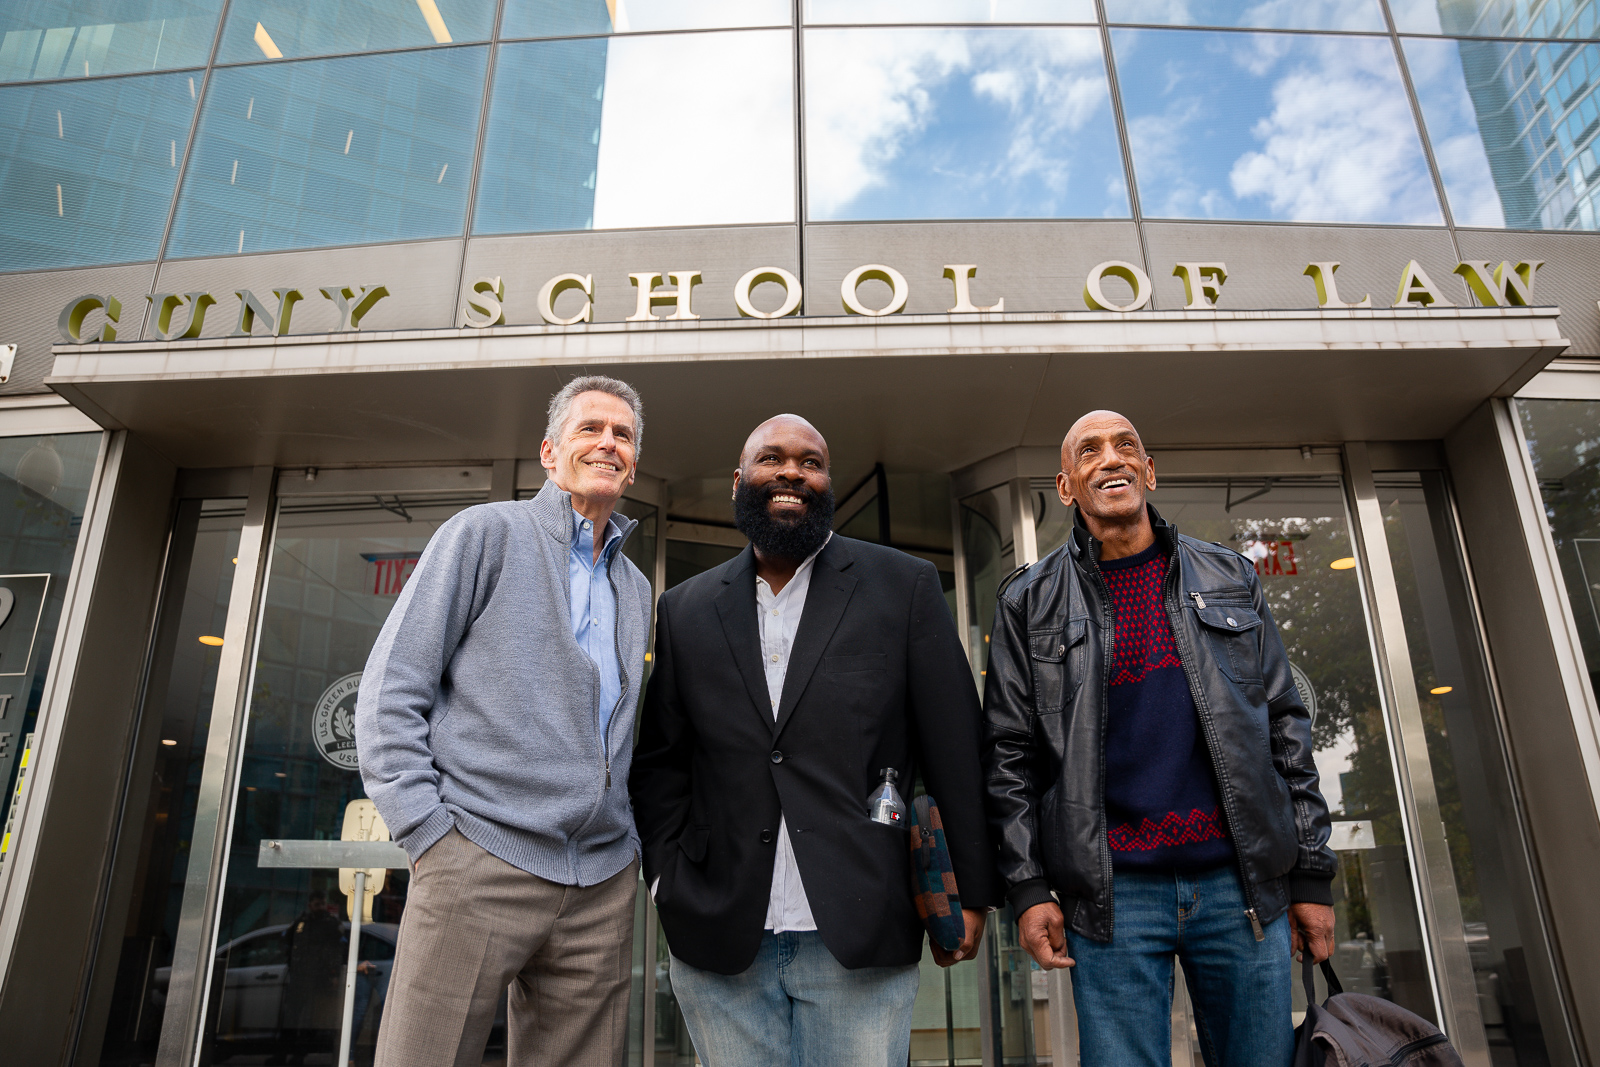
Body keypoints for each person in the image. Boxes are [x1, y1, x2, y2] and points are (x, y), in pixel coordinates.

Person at [629, 414, 1001, 1067]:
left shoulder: (903, 586)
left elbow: (956, 750)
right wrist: (666, 878)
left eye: (811, 461)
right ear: (740, 481)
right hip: (719, 936)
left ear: (827, 483)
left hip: (861, 929)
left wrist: (971, 889)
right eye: (772, 458)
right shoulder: (685, 609)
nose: (792, 472)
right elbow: (662, 763)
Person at [982, 410, 1338, 1067]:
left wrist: (1312, 875)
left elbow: (1286, 722)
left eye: (1126, 447)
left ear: (1149, 471)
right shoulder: (1027, 603)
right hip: (1113, 894)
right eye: (1090, 451)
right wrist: (1029, 888)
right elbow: (1010, 756)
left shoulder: (1230, 574)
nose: (1110, 458)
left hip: (1241, 886)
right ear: (1067, 486)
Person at [355, 375, 652, 1067]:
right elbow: (392, 688)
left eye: (624, 435)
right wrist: (428, 831)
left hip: (601, 878)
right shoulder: (484, 534)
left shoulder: (635, 586)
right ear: (550, 453)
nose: (608, 442)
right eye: (591, 429)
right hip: (477, 854)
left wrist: (627, 841)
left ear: (633, 463)